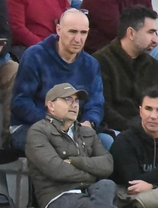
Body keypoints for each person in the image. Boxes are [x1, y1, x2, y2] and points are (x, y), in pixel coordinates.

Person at [10, 8, 104, 147]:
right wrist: (56, 124)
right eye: (72, 31)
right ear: (59, 30)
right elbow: (21, 102)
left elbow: (96, 103)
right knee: (60, 145)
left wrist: (89, 122)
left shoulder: (91, 64)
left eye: (83, 33)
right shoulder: (35, 56)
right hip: (31, 126)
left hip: (74, 129)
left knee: (107, 143)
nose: (78, 39)